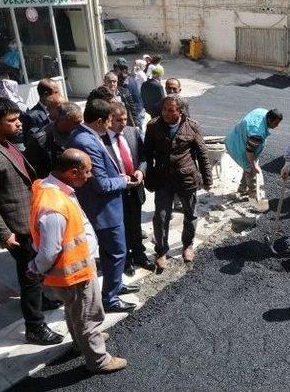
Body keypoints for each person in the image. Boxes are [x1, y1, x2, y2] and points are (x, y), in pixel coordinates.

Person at [0, 97, 64, 345]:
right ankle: (35, 327)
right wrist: (5, 235)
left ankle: (42, 299)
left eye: (18, 118)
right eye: (12, 120)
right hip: (14, 228)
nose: (19, 123)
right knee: (29, 275)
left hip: (26, 220)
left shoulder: (3, 142)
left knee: (35, 270)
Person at [27, 149, 128, 373]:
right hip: (74, 272)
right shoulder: (54, 207)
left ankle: (81, 342)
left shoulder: (51, 187)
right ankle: (99, 359)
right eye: (87, 171)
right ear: (73, 172)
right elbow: (48, 251)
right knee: (88, 315)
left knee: (75, 311)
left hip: (74, 269)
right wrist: (35, 268)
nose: (90, 175)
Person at [68, 99, 139, 313]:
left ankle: (115, 285)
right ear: (99, 121)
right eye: (109, 121)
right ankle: (110, 298)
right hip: (103, 209)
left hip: (103, 206)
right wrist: (124, 180)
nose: (110, 126)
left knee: (113, 253)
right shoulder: (87, 142)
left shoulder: (84, 135)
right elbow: (100, 184)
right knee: (116, 252)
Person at [144, 96, 213, 268]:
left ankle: (188, 245)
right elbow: (147, 154)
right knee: (160, 217)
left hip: (186, 179)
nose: (165, 113)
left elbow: (202, 154)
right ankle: (161, 251)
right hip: (163, 180)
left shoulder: (192, 126)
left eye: (170, 110)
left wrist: (207, 178)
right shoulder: (153, 126)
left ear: (180, 111)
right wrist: (148, 178)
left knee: (190, 214)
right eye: (164, 109)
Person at [102, 104, 154, 275]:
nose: (123, 123)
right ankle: (126, 261)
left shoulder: (133, 132)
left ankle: (140, 255)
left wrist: (141, 171)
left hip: (135, 188)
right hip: (116, 192)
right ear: (109, 119)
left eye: (124, 119)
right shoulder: (101, 139)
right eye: (118, 120)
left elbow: (144, 157)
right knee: (121, 228)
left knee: (135, 226)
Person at [225, 108, 283, 196]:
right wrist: (254, 165)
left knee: (249, 167)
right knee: (251, 169)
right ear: (269, 119)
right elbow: (249, 151)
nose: (277, 126)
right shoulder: (257, 133)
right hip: (238, 146)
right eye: (275, 123)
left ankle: (242, 189)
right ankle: (253, 195)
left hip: (236, 136)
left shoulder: (262, 112)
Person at [24, 102, 83, 178]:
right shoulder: (40, 140)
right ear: (62, 120)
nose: (80, 125)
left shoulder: (79, 133)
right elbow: (32, 169)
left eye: (80, 122)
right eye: (76, 122)